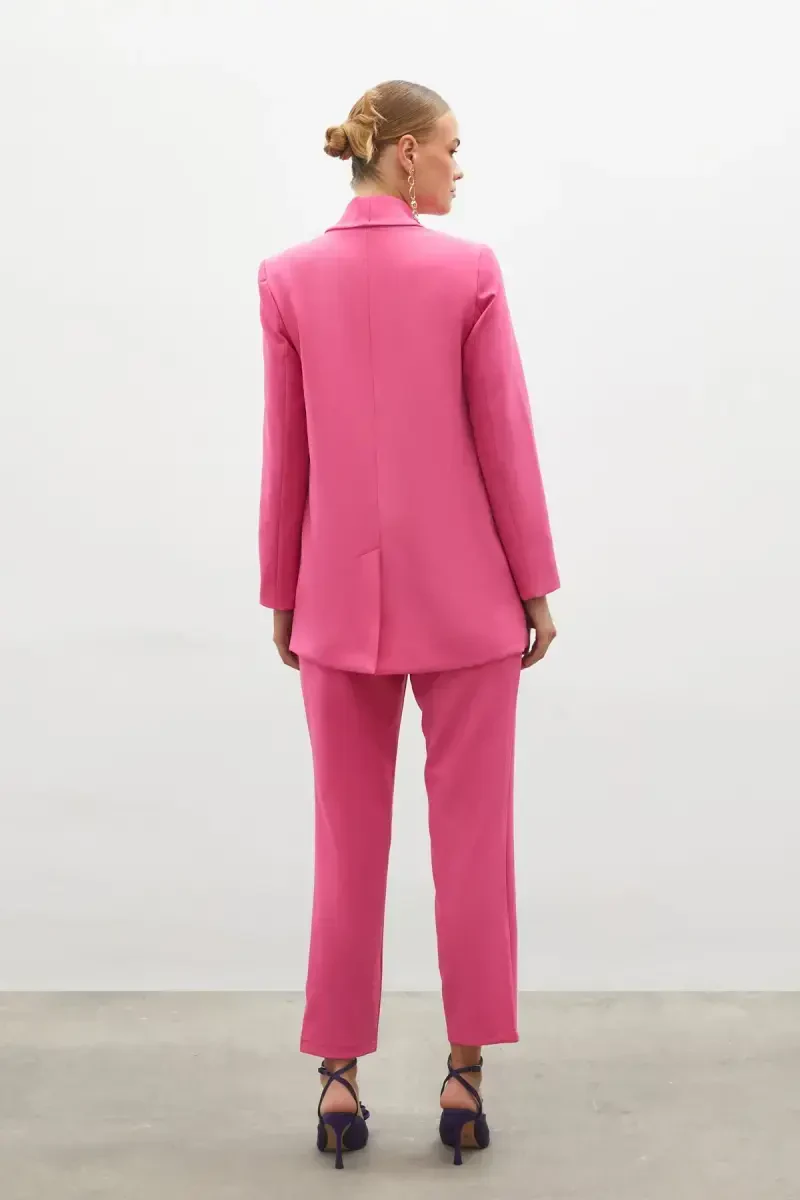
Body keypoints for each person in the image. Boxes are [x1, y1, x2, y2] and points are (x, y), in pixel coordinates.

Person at [256, 79, 560, 1169]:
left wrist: (281, 590)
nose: (458, 168)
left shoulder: (287, 277)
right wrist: (534, 585)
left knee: (346, 845)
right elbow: (502, 436)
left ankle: (337, 1081)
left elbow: (285, 448)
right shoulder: (468, 270)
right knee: (472, 843)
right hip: (469, 600)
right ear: (401, 156)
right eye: (449, 148)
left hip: (334, 602)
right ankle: (462, 1076)